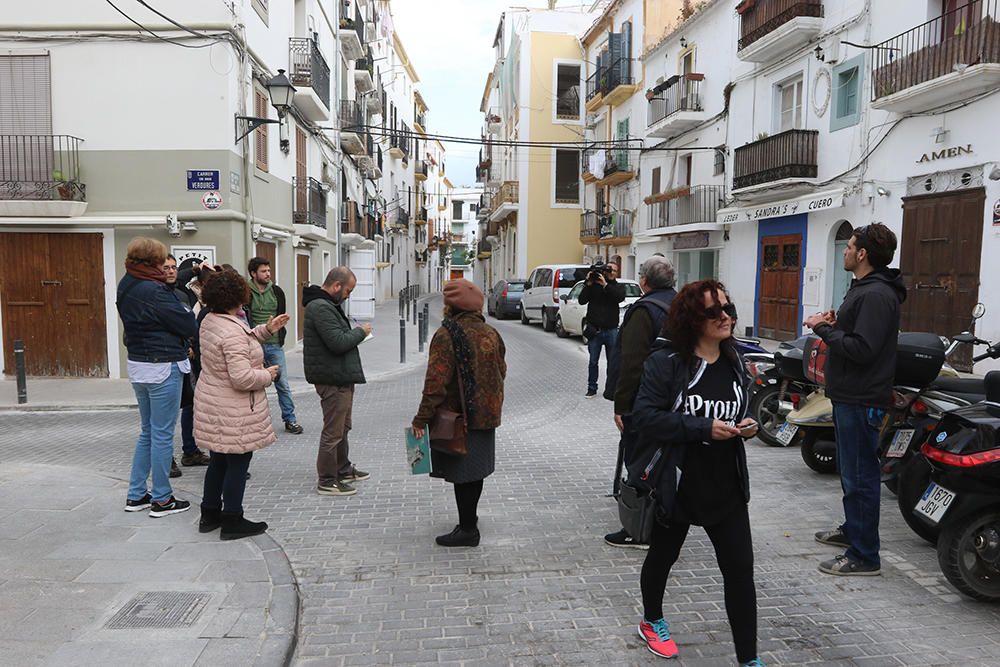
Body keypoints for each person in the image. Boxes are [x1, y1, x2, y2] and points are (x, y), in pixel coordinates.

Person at [631, 280, 762, 666]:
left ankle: (749, 659)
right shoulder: (667, 363)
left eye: (728, 308)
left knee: (740, 572)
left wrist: (746, 424)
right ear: (692, 319)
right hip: (680, 481)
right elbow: (646, 418)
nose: (725, 317)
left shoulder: (736, 360)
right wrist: (702, 428)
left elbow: (737, 410)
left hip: (727, 484)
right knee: (662, 556)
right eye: (713, 312)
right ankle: (652, 619)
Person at [805, 223, 905, 577]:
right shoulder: (864, 289)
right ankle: (854, 530)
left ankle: (864, 554)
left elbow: (863, 350)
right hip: (851, 394)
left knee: (861, 476)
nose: (844, 251)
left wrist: (823, 329)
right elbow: (860, 335)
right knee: (851, 473)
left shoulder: (876, 295)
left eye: (848, 246)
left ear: (862, 254)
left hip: (863, 397)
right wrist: (836, 323)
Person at [412, 279, 506, 547]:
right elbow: (502, 371)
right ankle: (469, 521)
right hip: (486, 415)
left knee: (464, 473)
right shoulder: (490, 332)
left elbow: (435, 383)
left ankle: (467, 530)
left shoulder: (447, 335)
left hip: (460, 417)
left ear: (451, 306)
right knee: (474, 472)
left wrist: (422, 418)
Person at [194, 268, 287, 540]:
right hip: (232, 407)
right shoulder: (230, 328)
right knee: (237, 462)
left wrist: (266, 330)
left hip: (215, 402)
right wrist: (268, 375)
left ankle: (209, 514)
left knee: (219, 461)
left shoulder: (212, 320)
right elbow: (241, 377)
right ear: (238, 296)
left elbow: (240, 345)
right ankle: (233, 519)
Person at [116, 237, 198, 518]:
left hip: (139, 364)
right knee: (162, 434)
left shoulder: (127, 282)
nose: (166, 268)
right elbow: (188, 323)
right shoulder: (156, 290)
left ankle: (137, 493)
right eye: (162, 261)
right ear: (153, 262)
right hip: (163, 365)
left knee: (148, 432)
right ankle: (162, 499)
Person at [602, 256, 678, 548]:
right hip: (677, 397)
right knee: (665, 459)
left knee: (640, 460)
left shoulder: (644, 310)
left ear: (643, 282)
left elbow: (630, 362)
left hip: (645, 399)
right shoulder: (681, 305)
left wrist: (622, 406)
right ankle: (667, 517)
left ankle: (640, 528)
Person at [303, 267, 373, 496]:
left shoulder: (327, 305)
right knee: (333, 431)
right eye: (348, 290)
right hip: (331, 378)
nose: (348, 295)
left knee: (343, 427)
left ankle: (343, 469)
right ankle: (327, 479)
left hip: (339, 375)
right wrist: (361, 332)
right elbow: (338, 342)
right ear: (336, 286)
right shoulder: (321, 307)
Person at [163, 254, 210, 476]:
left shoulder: (181, 295)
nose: (171, 271)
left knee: (189, 405)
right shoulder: (153, 296)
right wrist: (193, 270)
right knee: (165, 416)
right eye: (166, 267)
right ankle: (165, 458)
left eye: (173, 267)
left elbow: (187, 324)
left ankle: (190, 451)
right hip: (161, 363)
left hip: (184, 360)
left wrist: (189, 344)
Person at [247, 257, 303, 435]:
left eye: (269, 271)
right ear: (253, 274)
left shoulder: (277, 291)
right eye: (263, 271)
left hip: (274, 344)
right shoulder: (245, 292)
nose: (268, 274)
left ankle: (290, 419)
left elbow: (281, 316)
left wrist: (280, 336)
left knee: (283, 384)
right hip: (253, 344)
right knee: (253, 385)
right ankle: (253, 422)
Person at [578, 261, 625, 397]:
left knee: (613, 362)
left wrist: (605, 285)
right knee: (593, 361)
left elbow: (619, 297)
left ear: (616, 273)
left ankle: (612, 389)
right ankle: (592, 388)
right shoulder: (593, 285)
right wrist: (588, 284)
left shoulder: (617, 287)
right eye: (609, 270)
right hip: (595, 330)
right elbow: (581, 300)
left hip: (611, 330)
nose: (611, 272)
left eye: (614, 271)